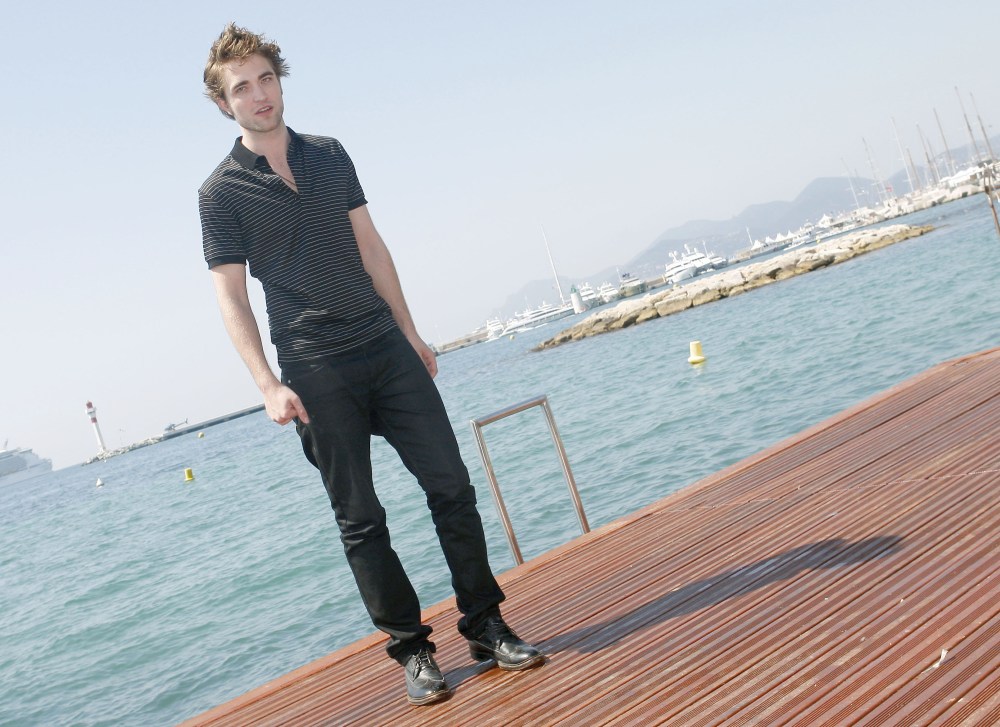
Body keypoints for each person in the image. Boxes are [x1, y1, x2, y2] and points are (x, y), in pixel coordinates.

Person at [198, 24, 543, 706]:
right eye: (243, 88)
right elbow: (230, 296)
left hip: (384, 345)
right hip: (313, 366)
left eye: (266, 79)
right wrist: (267, 384)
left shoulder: (330, 154)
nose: (260, 95)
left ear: (280, 80)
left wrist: (410, 332)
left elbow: (371, 246)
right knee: (361, 518)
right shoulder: (221, 192)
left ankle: (486, 624)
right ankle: (413, 650)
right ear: (224, 104)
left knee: (451, 485)